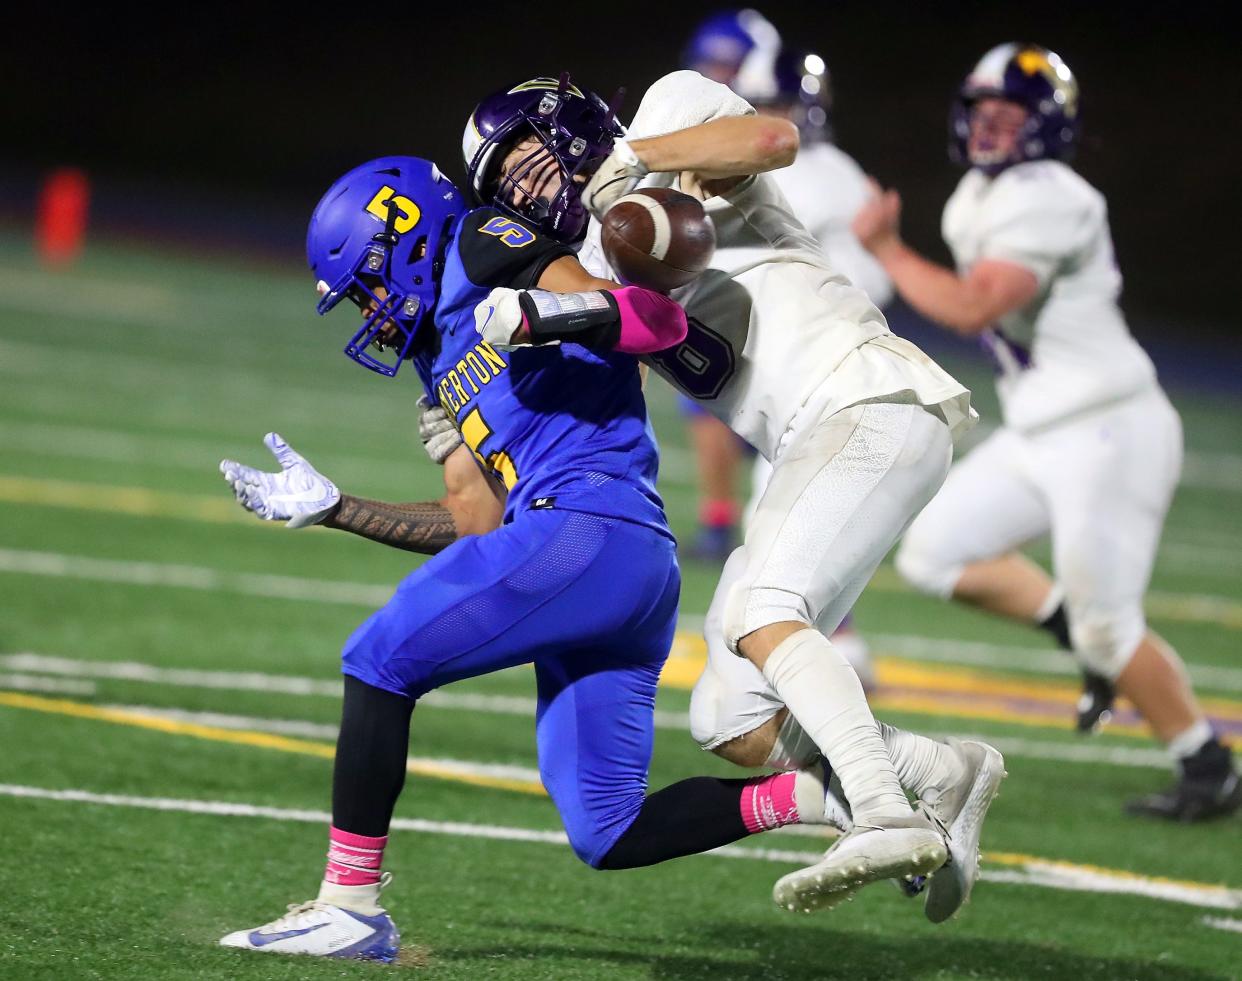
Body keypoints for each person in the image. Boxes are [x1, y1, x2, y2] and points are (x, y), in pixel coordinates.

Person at [216, 152, 847, 962]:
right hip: (611, 558)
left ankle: (350, 904)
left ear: (403, 239)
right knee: (608, 827)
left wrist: (546, 314)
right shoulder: (435, 357)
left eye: (370, 284)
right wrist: (339, 508)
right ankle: (827, 793)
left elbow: (651, 321)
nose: (370, 311)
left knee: (378, 657)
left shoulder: (480, 243)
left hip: (590, 525)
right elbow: (476, 524)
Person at [463, 71, 1003, 919]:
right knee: (729, 714)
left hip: (865, 394)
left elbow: (770, 141)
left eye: (526, 162)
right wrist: (538, 312)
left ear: (563, 125)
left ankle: (881, 810)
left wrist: (631, 158)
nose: (526, 191)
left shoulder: (668, 113)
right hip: (809, 440)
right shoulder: (599, 257)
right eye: (508, 188)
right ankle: (940, 770)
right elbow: (630, 318)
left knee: (765, 607)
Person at [852, 43, 1240, 821]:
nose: (991, 127)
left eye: (1010, 114)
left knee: (1112, 627)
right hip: (1043, 429)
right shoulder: (975, 197)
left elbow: (973, 308)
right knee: (934, 551)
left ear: (1047, 125)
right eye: (983, 112)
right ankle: (1073, 628)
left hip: (1109, 430)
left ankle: (1206, 763)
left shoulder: (1053, 195)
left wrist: (888, 250)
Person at [682, 9, 896, 684]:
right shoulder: (844, 171)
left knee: (776, 546)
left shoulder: (803, 172)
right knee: (787, 536)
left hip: (826, 380)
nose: (763, 118)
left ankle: (834, 688)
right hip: (834, 372)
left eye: (772, 106)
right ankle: (844, 653)